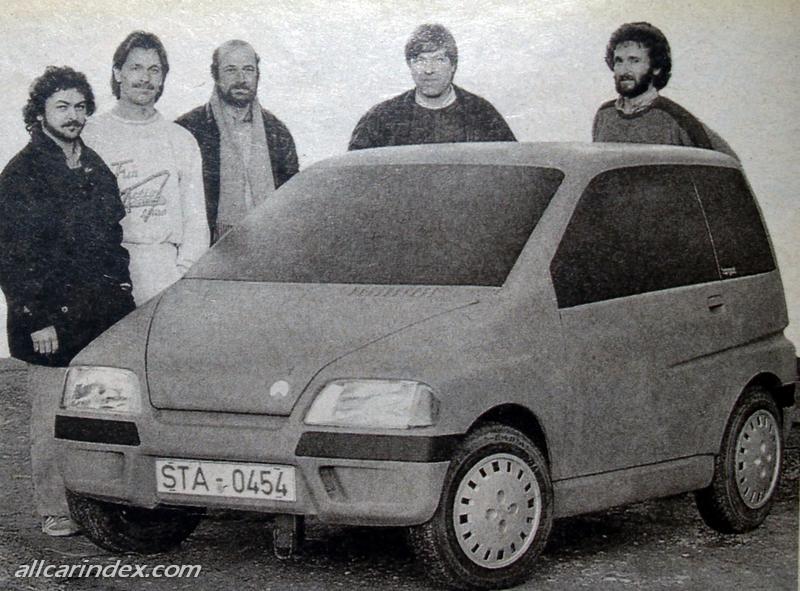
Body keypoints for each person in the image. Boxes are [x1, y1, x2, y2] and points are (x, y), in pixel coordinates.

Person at [0, 66, 135, 536]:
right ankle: (55, 509)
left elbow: (112, 239)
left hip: (101, 314)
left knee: (97, 411)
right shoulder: (21, 174)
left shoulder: (94, 164)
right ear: (39, 113)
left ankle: (97, 506)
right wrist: (36, 319)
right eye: (62, 106)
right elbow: (13, 256)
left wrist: (123, 295)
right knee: (50, 417)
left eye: (80, 106)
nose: (73, 115)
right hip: (49, 322)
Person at [83, 31, 210, 305]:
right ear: (118, 73)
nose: (145, 78)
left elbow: (196, 223)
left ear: (163, 78)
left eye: (154, 70)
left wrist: (182, 277)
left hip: (164, 274)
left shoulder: (181, 140)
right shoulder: (90, 134)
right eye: (136, 68)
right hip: (104, 275)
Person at [176, 40, 299, 243]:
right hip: (207, 249)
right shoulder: (189, 129)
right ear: (215, 74)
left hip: (267, 244)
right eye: (231, 70)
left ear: (258, 75)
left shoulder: (277, 133)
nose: (241, 79)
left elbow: (292, 199)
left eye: (248, 70)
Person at [348, 23, 516, 150]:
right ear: (410, 65)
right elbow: (355, 175)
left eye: (439, 59)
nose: (429, 70)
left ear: (453, 65)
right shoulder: (381, 118)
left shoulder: (482, 114)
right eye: (420, 60)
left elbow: (512, 170)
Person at [593, 22, 736, 157]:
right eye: (619, 61)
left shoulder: (676, 118)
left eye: (634, 61)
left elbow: (727, 162)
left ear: (656, 67)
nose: (624, 70)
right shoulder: (604, 114)